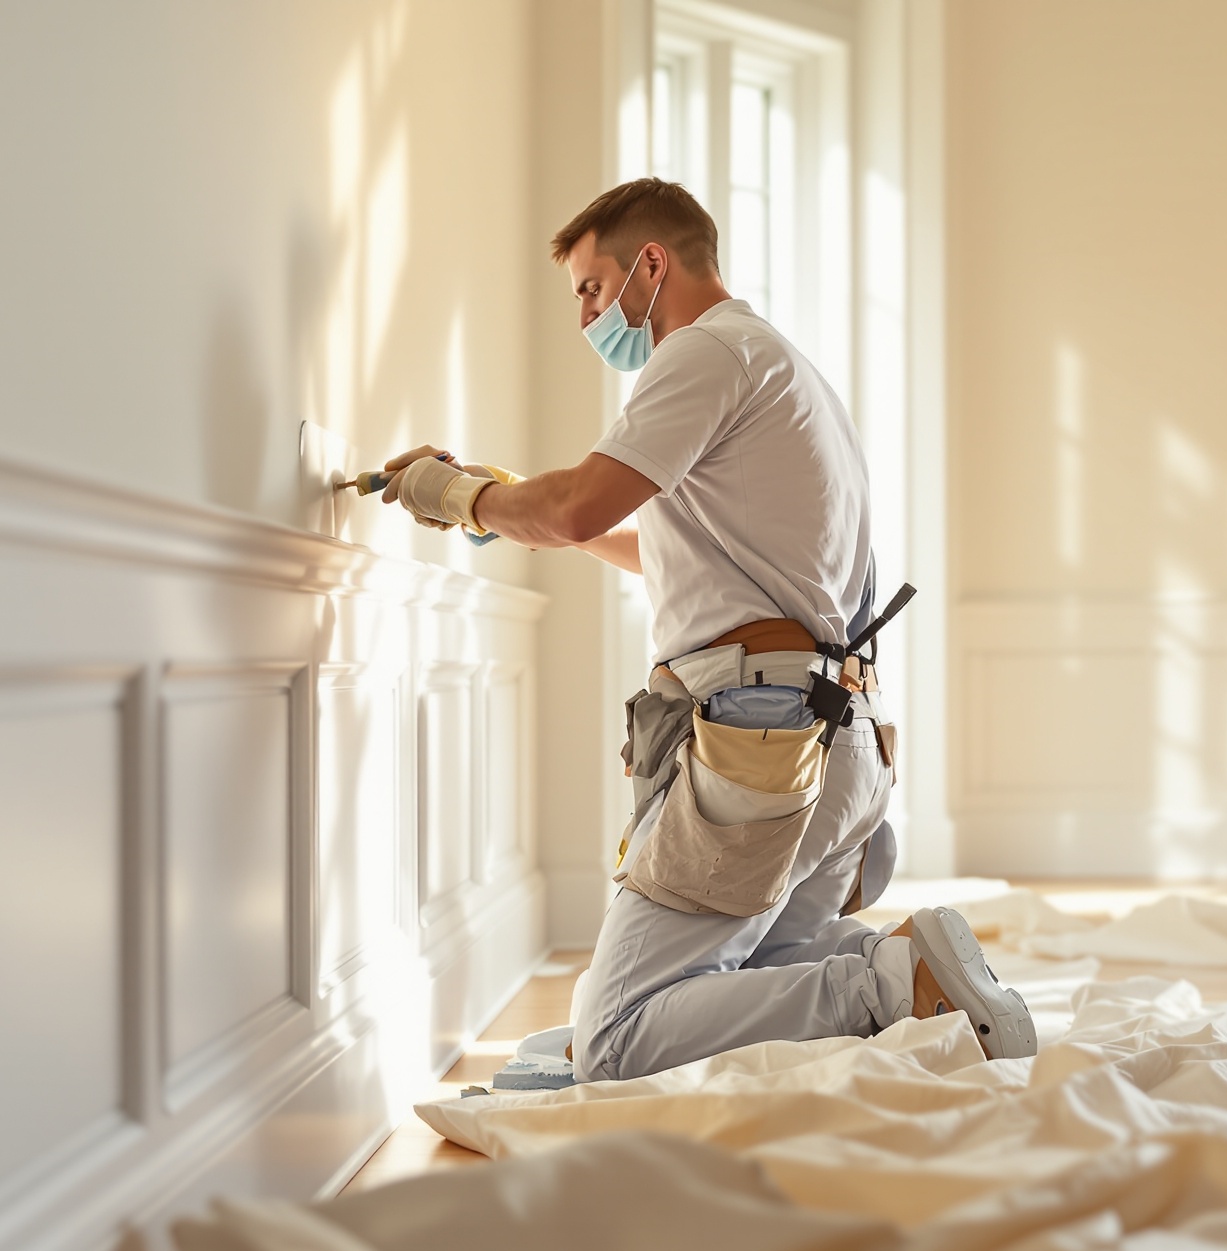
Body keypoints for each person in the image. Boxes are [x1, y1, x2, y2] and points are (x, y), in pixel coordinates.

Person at [375, 178, 1034, 1081]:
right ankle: (908, 972)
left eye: (592, 289)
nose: (585, 318)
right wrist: (504, 506)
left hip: (765, 743)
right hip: (839, 741)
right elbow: (656, 544)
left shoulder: (703, 355)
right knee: (744, 977)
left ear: (652, 264)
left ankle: (891, 983)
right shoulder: (783, 367)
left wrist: (455, 497)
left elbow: (574, 508)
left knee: (613, 1038)